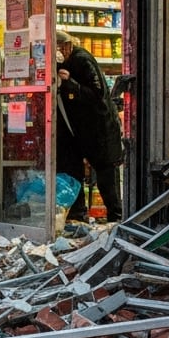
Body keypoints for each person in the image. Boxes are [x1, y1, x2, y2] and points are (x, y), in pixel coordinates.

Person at [54, 30, 124, 222]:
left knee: (105, 175)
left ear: (67, 46)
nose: (57, 53)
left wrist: (71, 84)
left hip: (99, 128)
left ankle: (116, 217)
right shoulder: (61, 62)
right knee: (73, 171)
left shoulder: (82, 60)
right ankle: (77, 214)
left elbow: (97, 94)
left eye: (59, 48)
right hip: (78, 130)